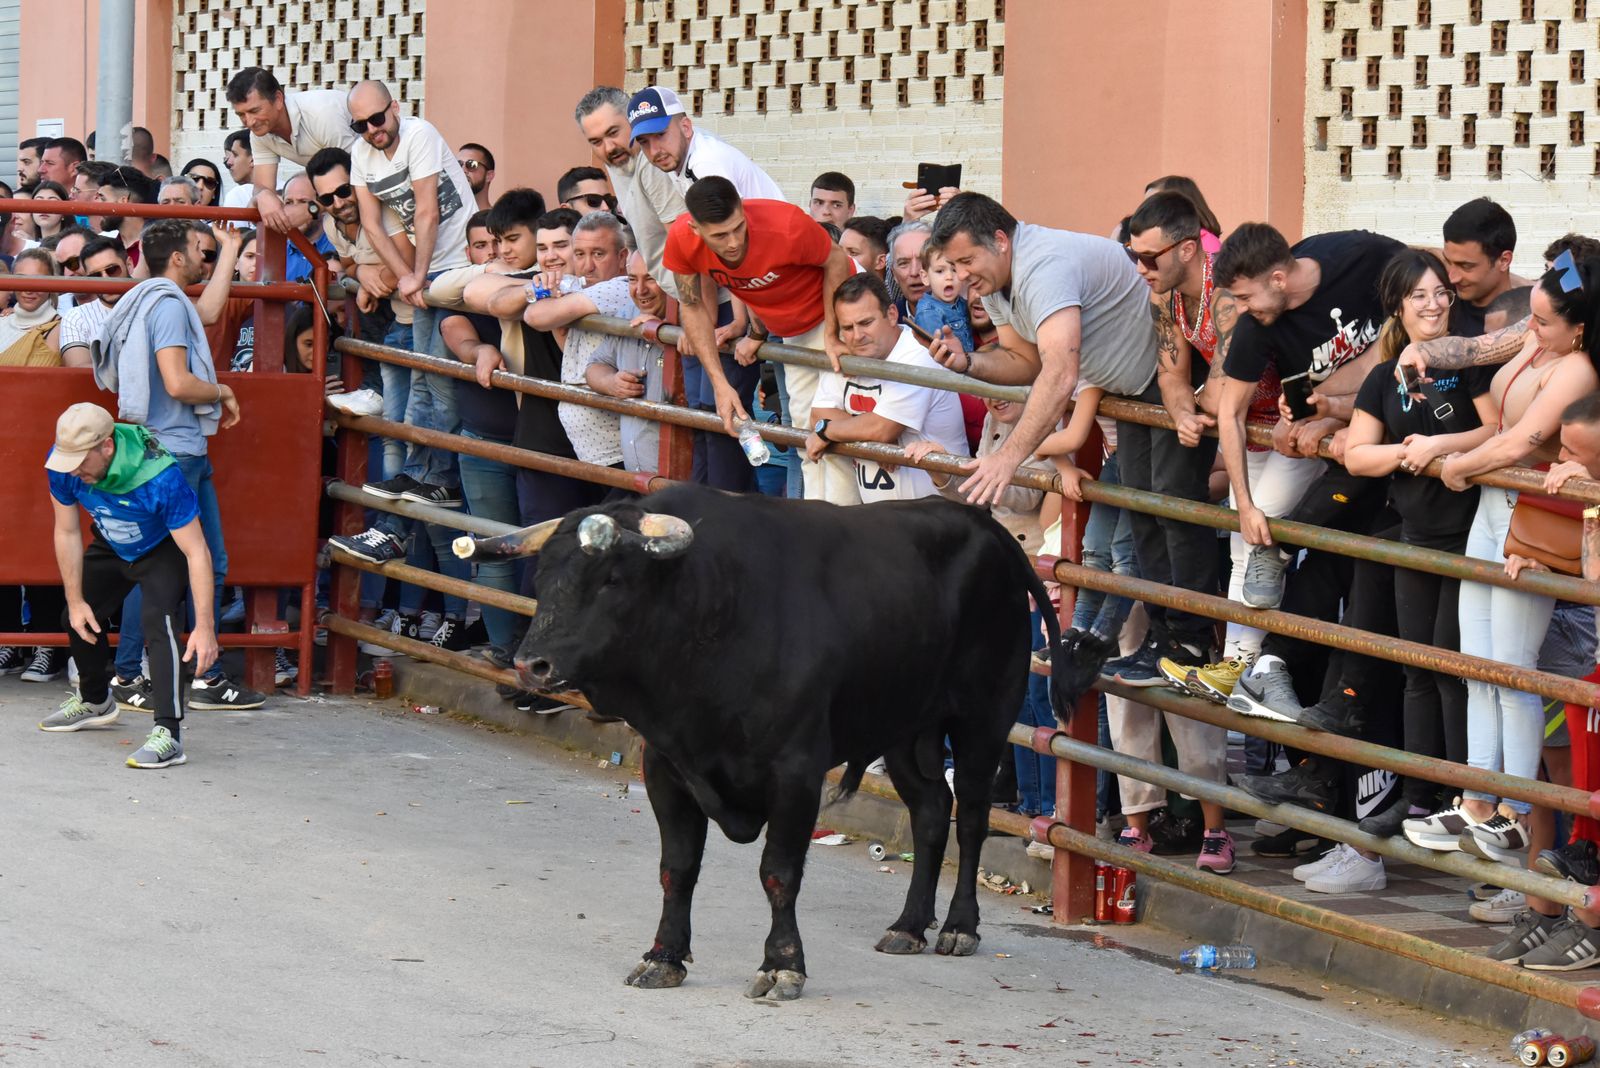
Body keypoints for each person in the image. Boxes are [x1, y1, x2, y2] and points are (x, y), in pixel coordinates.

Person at [1402, 253, 1600, 951]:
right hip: (1494, 502)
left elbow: (1524, 438)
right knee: (1477, 663)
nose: (1530, 329)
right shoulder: (1540, 338)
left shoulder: (1577, 368)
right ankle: (1478, 798)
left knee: (1514, 670)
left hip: (1527, 509)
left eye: (1543, 322)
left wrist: (1458, 464)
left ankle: (1512, 809)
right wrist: (1419, 351)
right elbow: (1473, 348)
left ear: (1580, 328)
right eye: (1532, 316)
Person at [92, 219, 264, 714]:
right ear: (177, 257)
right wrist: (223, 390)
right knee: (172, 566)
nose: (204, 259)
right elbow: (178, 382)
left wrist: (230, 249)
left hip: (168, 450)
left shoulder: (156, 298)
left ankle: (183, 673)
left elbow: (206, 312)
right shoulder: (166, 304)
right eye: (201, 251)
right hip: (174, 453)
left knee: (197, 562)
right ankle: (138, 673)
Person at [40, 403, 218, 769]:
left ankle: (169, 734)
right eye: (67, 460)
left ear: (107, 446)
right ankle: (95, 700)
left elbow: (197, 551)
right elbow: (67, 531)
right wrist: (76, 600)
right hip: (111, 540)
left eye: (80, 461)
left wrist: (205, 626)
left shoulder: (160, 476)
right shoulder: (63, 465)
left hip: (161, 548)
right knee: (75, 614)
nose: (72, 470)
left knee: (159, 623)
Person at [663, 176, 855, 499]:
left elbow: (836, 259)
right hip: (791, 328)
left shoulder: (785, 223)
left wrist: (834, 332)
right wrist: (720, 384)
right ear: (695, 229)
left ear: (743, 210)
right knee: (805, 435)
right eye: (720, 235)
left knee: (832, 428)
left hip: (839, 310)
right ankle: (819, 519)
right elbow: (692, 306)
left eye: (738, 228)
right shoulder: (681, 239)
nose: (733, 242)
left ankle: (845, 519)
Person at [347, 78, 476, 509]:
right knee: (421, 376)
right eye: (360, 125)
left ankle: (444, 479)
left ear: (395, 108)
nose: (371, 130)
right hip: (423, 270)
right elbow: (371, 224)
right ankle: (418, 473)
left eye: (377, 119)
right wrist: (407, 276)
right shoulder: (361, 153)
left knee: (440, 379)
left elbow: (427, 210)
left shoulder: (420, 133)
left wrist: (415, 276)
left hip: (457, 263)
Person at [803, 271, 970, 501]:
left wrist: (827, 431)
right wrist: (869, 435)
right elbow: (818, 415)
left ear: (892, 314)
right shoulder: (845, 354)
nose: (857, 336)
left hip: (940, 511)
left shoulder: (917, 354)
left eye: (866, 323)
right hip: (880, 514)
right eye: (848, 328)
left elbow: (882, 428)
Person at [524, 210, 633, 474]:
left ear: (622, 257)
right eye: (580, 254)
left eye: (598, 254)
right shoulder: (580, 287)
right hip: (594, 454)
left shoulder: (620, 286)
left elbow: (535, 316)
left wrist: (547, 292)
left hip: (620, 451)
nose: (587, 266)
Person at [226, 66, 356, 233]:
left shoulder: (321, 115)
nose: (249, 122)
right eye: (241, 115)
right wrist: (263, 196)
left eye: (254, 111)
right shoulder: (259, 134)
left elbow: (356, 176)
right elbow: (262, 186)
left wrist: (311, 209)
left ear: (278, 99)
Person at [584, 250, 672, 474]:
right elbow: (595, 365)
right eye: (633, 279)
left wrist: (663, 338)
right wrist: (611, 382)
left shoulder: (692, 316)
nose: (640, 290)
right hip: (637, 477)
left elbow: (705, 382)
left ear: (671, 280)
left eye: (651, 278)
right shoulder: (627, 313)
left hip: (682, 481)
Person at [1441, 197, 1520, 336]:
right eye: (1448, 261)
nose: (1452, 278)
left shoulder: (1528, 321)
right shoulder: (1439, 307)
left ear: (1504, 261)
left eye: (1465, 266)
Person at [59, 236, 130, 368]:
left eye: (112, 270)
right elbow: (79, 370)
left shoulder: (151, 304)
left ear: (129, 265)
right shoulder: (77, 317)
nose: (106, 280)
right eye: (96, 275)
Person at [0, 248, 64, 366]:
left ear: (52, 282)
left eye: (38, 280)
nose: (29, 290)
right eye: (21, 279)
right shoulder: (3, 320)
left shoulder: (64, 329)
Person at [95, 166, 160, 270]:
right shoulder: (106, 245)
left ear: (124, 201)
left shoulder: (158, 244)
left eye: (103, 199)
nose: (97, 205)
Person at [279, 173, 337, 283]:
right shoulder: (277, 254)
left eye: (303, 202)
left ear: (321, 206)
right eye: (289, 202)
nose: (295, 210)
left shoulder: (340, 247)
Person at [885, 219, 931, 319]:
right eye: (903, 263)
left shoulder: (965, 316)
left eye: (924, 260)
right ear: (894, 274)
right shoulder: (887, 322)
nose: (914, 272)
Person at [25, 179, 70, 245]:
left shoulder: (72, 245)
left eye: (52, 202)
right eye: (39, 202)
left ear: (64, 213)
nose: (44, 208)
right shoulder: (28, 244)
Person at [221, 130, 256, 209]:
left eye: (235, 155)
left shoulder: (238, 194)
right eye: (226, 158)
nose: (228, 163)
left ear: (253, 159)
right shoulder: (284, 190)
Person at [457, 142, 495, 210]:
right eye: (458, 164)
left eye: (471, 164)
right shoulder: (441, 215)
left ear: (489, 175)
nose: (463, 170)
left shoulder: (500, 217)